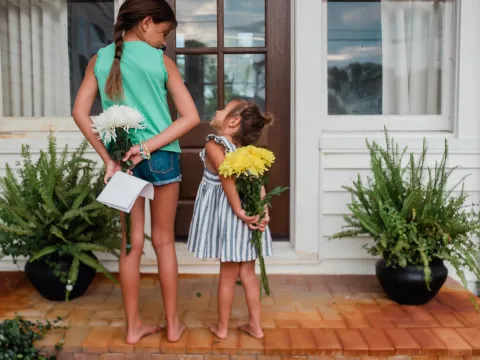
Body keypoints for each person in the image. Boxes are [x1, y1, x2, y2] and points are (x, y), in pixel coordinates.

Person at [72, 0, 200, 344]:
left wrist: (108, 158)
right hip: (161, 158)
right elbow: (190, 118)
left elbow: (80, 113)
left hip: (123, 162)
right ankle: (173, 326)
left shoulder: (101, 60)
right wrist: (147, 147)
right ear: (145, 23)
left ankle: (132, 328)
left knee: (131, 244)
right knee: (164, 242)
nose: (164, 41)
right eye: (163, 32)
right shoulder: (161, 63)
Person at [187, 99, 273, 340]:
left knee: (228, 273)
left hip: (234, 214)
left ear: (233, 121)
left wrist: (238, 210)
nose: (217, 109)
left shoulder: (215, 144)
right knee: (247, 272)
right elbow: (258, 182)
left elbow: (227, 177)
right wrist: (264, 210)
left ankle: (222, 328)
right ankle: (255, 326)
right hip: (248, 213)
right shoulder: (248, 152)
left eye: (223, 108)